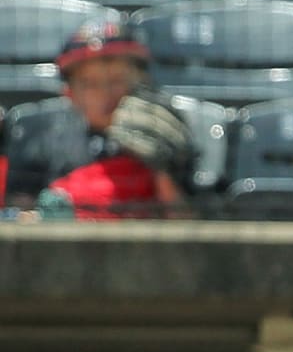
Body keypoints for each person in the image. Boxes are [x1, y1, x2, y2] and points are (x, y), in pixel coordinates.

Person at [4, 18, 196, 220]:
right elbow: (18, 228)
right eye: (91, 83)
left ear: (142, 82)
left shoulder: (169, 133)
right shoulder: (39, 141)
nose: (106, 93)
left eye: (117, 80)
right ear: (70, 94)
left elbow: (192, 233)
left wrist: (162, 171)